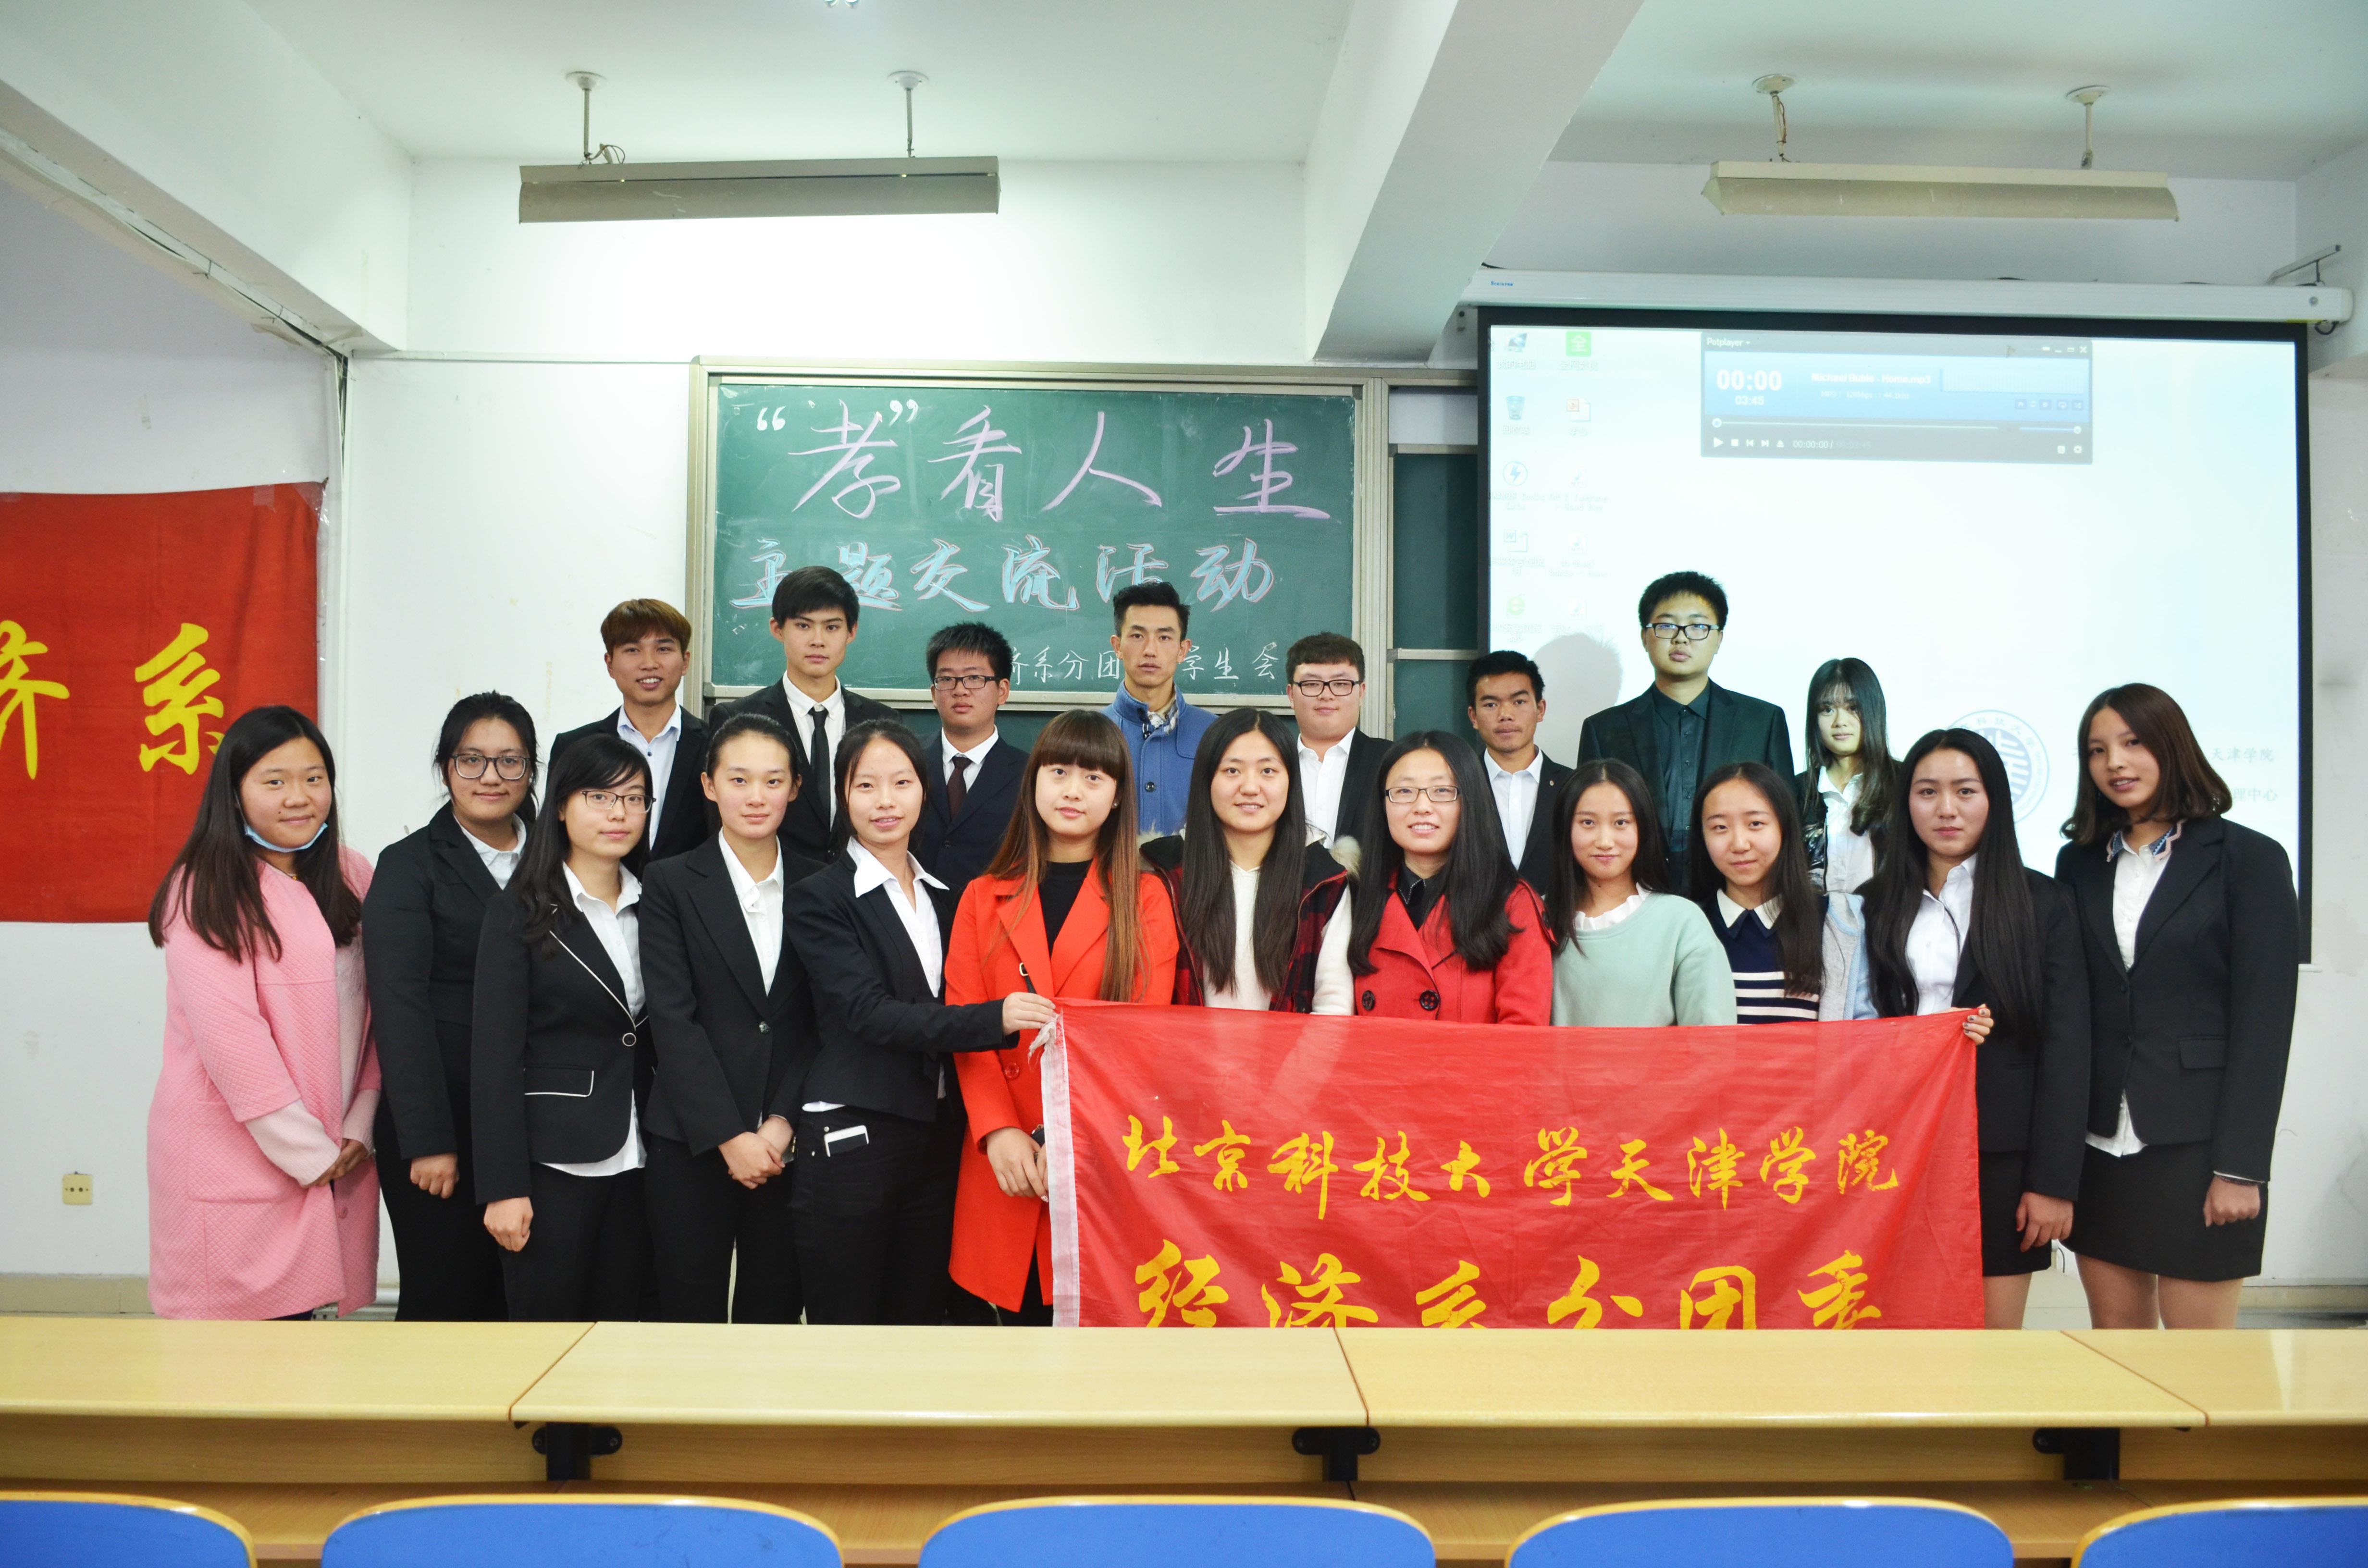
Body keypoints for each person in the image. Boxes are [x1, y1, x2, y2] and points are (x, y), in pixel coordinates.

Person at [783, 721, 1051, 1326]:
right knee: (846, 1325)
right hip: (854, 1134)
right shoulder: (820, 896)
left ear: (924, 792)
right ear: (842, 794)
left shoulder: (946, 897)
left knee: (920, 1323)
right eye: (866, 786)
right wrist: (994, 1018)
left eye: (901, 783)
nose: (885, 801)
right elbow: (867, 1011)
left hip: (936, 1139)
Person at [2055, 685, 2297, 1329]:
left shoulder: (2249, 860)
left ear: (2172, 746)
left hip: (2197, 1149)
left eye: (2133, 742)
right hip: (2100, 1145)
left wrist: (2240, 1168)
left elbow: (2263, 1024)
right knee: (2118, 1346)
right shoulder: (2078, 863)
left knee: (2201, 1363)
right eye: (2097, 750)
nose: (2114, 762)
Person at [946, 711, 1182, 1322]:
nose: (1073, 791)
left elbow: (1142, 1042)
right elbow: (964, 1026)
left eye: (1093, 778)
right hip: (1000, 1158)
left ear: (1118, 797)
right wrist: (997, 1131)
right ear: (1033, 783)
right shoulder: (982, 896)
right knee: (1003, 1343)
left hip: (1096, 1153)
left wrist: (1070, 1140)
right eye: (1058, 773)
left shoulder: (1146, 899)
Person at [146, 706, 378, 1320]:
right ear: (234, 792)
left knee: (313, 1348)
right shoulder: (204, 887)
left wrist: (362, 1123)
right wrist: (310, 1153)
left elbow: (382, 1014)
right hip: (236, 1152)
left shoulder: (354, 874)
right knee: (231, 1349)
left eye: (314, 778)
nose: (299, 797)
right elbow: (233, 1040)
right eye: (274, 781)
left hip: (340, 1147)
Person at [1856, 728, 2090, 1329]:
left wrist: (2052, 1182)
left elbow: (2067, 1048)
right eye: (1926, 792)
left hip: (1999, 1152)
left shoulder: (2043, 903)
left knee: (1991, 1339)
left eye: (1965, 791)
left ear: (1994, 800)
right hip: (1894, 1144)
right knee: (1898, 1323)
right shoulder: (1871, 903)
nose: (1946, 809)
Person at [638, 713, 823, 1323]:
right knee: (686, 1317)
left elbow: (825, 1020)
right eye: (739, 780)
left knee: (772, 1318)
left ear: (795, 788)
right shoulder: (669, 882)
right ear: (709, 785)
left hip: (786, 1145)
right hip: (691, 1141)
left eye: (773, 781)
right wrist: (729, 1135)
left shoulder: (822, 883)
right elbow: (672, 1019)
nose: (756, 797)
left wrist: (780, 1123)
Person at [362, 692, 538, 1321]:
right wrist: (428, 1139)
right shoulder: (409, 866)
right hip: (447, 1120)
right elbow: (399, 1007)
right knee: (449, 1299)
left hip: (539, 1119)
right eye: (471, 760)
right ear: (446, 768)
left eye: (510, 761)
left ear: (531, 770)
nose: (491, 777)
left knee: (531, 1299)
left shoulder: (561, 856)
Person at [471, 736, 655, 1321]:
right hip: (553, 1162)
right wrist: (503, 1186)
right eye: (600, 796)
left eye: (634, 798)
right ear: (559, 806)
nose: (619, 813)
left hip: (645, 1153)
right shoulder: (518, 912)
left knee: (623, 1338)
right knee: (546, 1338)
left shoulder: (658, 906)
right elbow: (494, 1057)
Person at [1576, 571, 1794, 893]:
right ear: (1645, 637)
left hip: (1737, 896)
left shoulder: (1762, 721)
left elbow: (1786, 822)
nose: (1681, 639)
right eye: (1666, 626)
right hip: (1639, 896)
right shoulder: (1604, 729)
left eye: (1698, 627)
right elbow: (1589, 824)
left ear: (1719, 639)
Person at [1322, 731, 1553, 1025]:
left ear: (1470, 800)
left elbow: (1523, 1033)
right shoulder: (1357, 897)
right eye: (1404, 791)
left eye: (1442, 791)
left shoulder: (1512, 903)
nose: (1422, 807)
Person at [1142, 707, 1354, 1013]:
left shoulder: (1323, 880)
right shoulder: (1163, 871)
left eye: (1268, 771)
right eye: (1232, 771)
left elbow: (1333, 1003)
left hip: (1294, 1046)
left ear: (1291, 781)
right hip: (1181, 1045)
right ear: (1206, 779)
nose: (1251, 788)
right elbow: (1146, 995)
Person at [715, 565, 897, 861]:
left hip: (858, 882)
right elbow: (718, 821)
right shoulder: (736, 718)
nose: (818, 640)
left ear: (852, 632)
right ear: (777, 629)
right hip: (773, 881)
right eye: (803, 626)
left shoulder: (882, 722)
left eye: (832, 627)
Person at [1544, 758, 1734, 1028]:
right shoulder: (1537, 917)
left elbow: (1711, 1039)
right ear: (1565, 829)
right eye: (1588, 822)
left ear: (1643, 828)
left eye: (1621, 823)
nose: (1605, 841)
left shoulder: (1682, 922)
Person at [549, 599, 717, 863]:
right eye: (632, 650)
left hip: (692, 889)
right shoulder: (573, 746)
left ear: (685, 662)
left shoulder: (716, 745)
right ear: (610, 664)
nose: (649, 663)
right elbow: (554, 839)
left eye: (663, 649)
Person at [913, 622, 1025, 905]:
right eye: (947, 679)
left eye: (974, 678)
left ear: (1002, 691)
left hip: (994, 917)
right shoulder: (905, 761)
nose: (960, 690)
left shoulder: (1030, 774)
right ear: (934, 693)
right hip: (910, 915)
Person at [1101, 581, 1212, 837]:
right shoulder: (1091, 732)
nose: (1150, 650)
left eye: (1164, 637)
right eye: (1137, 636)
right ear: (1117, 646)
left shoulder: (1215, 733)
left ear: (1183, 650)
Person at [1465, 650, 1575, 893]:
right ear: (1473, 716)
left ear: (1540, 709)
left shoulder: (1574, 787)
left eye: (1519, 702)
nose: (1506, 715)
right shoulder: (1457, 787)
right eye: (1491, 704)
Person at [1797, 658, 1896, 895]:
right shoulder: (1797, 790)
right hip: (1812, 917)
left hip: (1887, 916)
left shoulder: (1904, 784)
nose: (1840, 722)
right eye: (1827, 710)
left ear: (1873, 711)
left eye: (1853, 708)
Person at [1285, 631, 1386, 851]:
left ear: (1361, 693)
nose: (1326, 695)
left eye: (1341, 684)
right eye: (1312, 684)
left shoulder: (1392, 762)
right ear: (1291, 695)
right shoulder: (1271, 765)